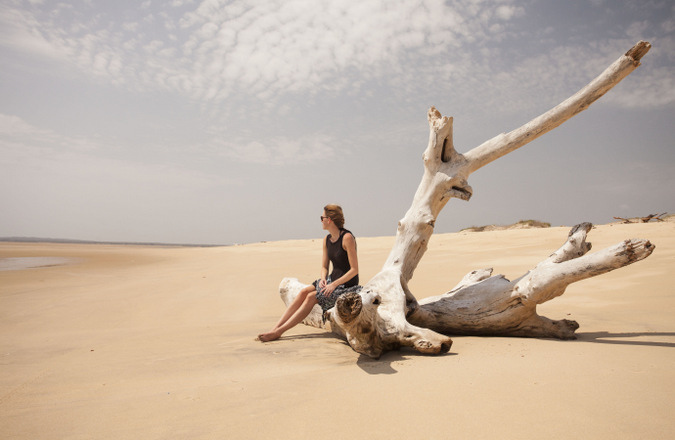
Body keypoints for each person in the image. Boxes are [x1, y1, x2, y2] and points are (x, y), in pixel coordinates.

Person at [257, 204, 361, 342]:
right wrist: (324, 279)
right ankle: (275, 328)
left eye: (322, 217)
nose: (321, 220)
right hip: (330, 281)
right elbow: (324, 266)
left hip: (345, 285)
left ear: (329, 219)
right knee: (303, 292)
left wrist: (333, 285)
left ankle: (279, 332)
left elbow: (354, 270)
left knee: (311, 297)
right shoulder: (327, 240)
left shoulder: (347, 238)